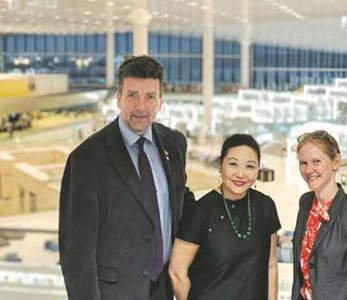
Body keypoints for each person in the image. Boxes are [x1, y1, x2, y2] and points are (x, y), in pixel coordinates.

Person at [59, 55, 193, 300]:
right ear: (119, 98)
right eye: (132, 95)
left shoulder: (174, 144)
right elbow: (76, 253)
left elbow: (180, 200)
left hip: (163, 290)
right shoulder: (86, 159)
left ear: (160, 101)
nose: (141, 106)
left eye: (150, 96)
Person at [169, 134, 281, 300]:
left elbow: (270, 266)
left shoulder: (265, 206)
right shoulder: (200, 211)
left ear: (258, 169)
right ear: (221, 166)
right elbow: (177, 272)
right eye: (233, 164)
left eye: (250, 166)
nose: (241, 174)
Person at [291, 130, 347, 300]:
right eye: (303, 163)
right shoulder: (305, 203)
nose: (309, 170)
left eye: (316, 161)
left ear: (336, 162)